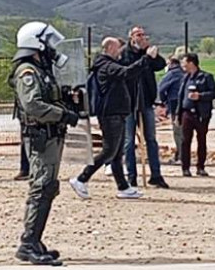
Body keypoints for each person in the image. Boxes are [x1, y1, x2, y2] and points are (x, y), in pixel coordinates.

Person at [12, 22, 80, 266]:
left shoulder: (42, 69)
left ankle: (35, 240)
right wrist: (62, 115)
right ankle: (28, 243)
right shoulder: (27, 72)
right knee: (41, 187)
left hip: (51, 135)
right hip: (41, 136)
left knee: (48, 187)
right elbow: (33, 106)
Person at [69, 37, 153, 200]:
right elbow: (126, 73)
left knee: (116, 153)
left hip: (117, 113)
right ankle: (81, 178)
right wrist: (146, 58)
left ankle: (123, 187)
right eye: (118, 48)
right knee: (109, 151)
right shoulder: (106, 66)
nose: (120, 51)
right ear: (109, 48)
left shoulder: (107, 64)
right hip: (110, 115)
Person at [123, 27, 170, 189]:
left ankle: (156, 175)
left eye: (144, 35)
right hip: (129, 103)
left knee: (151, 139)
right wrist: (145, 57)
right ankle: (131, 176)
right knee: (129, 141)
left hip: (146, 102)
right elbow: (128, 71)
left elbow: (160, 65)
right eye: (139, 35)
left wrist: (152, 55)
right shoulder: (125, 53)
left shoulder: (147, 53)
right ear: (131, 37)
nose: (142, 38)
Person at [178, 53, 215, 177]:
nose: (182, 65)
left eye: (184, 62)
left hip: (201, 114)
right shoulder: (185, 78)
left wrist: (200, 96)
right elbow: (180, 96)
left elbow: (214, 93)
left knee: (201, 140)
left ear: (191, 63)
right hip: (187, 113)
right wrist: (177, 113)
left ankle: (200, 167)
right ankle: (185, 168)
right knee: (185, 141)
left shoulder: (206, 77)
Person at [157, 52, 187, 166]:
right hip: (188, 106)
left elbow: (161, 89)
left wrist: (163, 101)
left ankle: (181, 156)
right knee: (185, 132)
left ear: (170, 63)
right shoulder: (185, 73)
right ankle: (182, 154)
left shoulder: (171, 74)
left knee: (178, 132)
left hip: (175, 105)